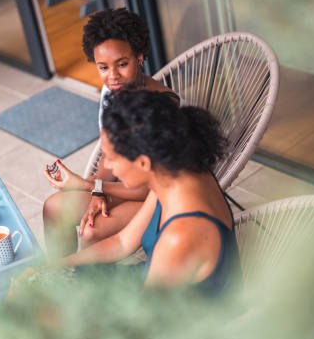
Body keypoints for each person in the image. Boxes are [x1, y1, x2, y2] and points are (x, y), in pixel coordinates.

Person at [56, 90, 240, 295]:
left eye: (111, 158)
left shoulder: (181, 234)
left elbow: (143, 319)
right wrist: (57, 266)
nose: (107, 167)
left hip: (184, 318)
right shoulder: (171, 174)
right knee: (76, 275)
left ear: (143, 162)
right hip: (154, 284)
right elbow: (121, 242)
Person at [43, 8, 179, 251]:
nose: (113, 76)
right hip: (122, 188)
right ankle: (58, 278)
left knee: (91, 232)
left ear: (139, 56)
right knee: (53, 208)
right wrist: (97, 194)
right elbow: (108, 160)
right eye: (103, 67)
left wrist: (90, 186)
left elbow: (151, 186)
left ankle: (96, 285)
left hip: (157, 198)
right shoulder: (113, 93)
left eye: (122, 64)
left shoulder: (161, 107)